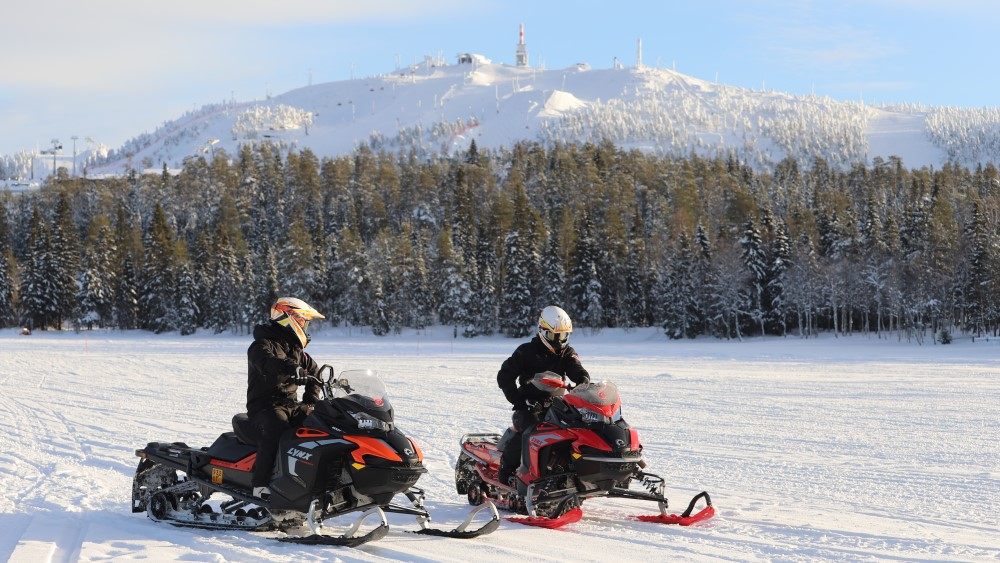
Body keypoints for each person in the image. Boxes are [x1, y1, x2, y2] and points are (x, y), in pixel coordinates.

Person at [496, 305, 590, 486]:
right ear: (542, 331)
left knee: (577, 428)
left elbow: (576, 369)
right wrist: (517, 399)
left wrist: (583, 380)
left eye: (562, 336)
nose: (558, 341)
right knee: (531, 430)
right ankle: (507, 471)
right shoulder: (526, 352)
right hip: (529, 405)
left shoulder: (567, 353)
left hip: (557, 403)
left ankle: (571, 471)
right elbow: (505, 375)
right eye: (554, 336)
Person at [247, 297, 326, 500]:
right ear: (287, 318)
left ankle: (313, 480)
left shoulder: (297, 350)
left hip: (291, 405)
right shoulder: (261, 345)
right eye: (302, 321)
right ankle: (261, 486)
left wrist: (311, 402)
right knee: (278, 427)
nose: (305, 326)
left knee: (321, 425)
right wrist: (290, 368)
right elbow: (267, 362)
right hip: (265, 406)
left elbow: (315, 374)